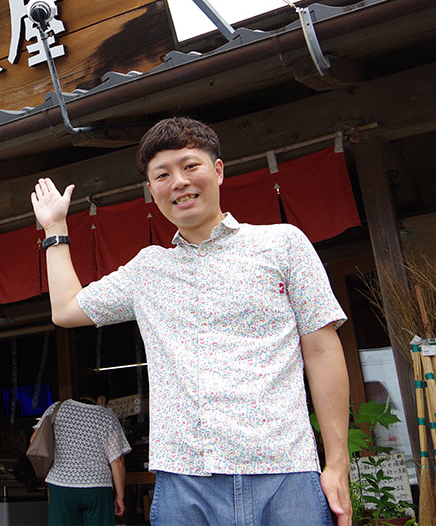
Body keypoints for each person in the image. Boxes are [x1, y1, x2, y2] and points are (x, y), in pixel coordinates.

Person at [30, 117, 351, 526]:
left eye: (190, 166)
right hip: (185, 481)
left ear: (217, 170)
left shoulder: (282, 244)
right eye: (162, 175)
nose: (178, 182)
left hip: (285, 470)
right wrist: (55, 227)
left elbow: (322, 351)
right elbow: (67, 310)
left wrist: (337, 464)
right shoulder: (147, 270)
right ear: (152, 191)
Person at [32, 373, 130, 525]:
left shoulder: (56, 409)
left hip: (61, 485)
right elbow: (117, 460)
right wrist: (120, 496)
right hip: (97, 487)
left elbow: (34, 441)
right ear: (101, 397)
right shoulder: (107, 416)